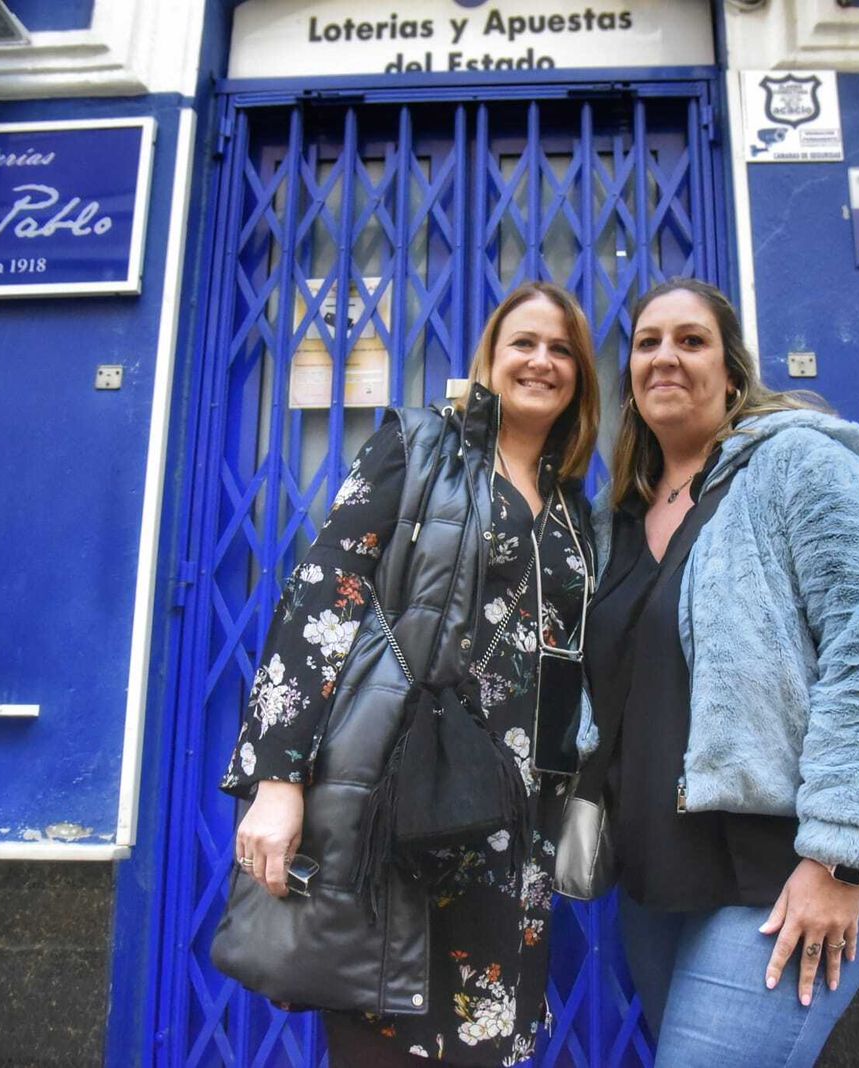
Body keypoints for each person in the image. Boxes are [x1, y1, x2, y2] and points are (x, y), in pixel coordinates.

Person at [219, 281, 601, 1067]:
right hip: (406, 807)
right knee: (387, 1035)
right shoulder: (419, 446)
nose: (542, 360)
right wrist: (278, 777)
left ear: (583, 376)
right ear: (489, 360)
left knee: (491, 1043)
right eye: (522, 343)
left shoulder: (575, 509)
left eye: (562, 349)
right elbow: (324, 596)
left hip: (517, 825)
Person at [581, 278, 859, 1068]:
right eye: (647, 342)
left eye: (691, 340)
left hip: (779, 870)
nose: (666, 355)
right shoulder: (619, 522)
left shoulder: (797, 465)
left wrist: (840, 854)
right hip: (655, 886)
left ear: (733, 372)